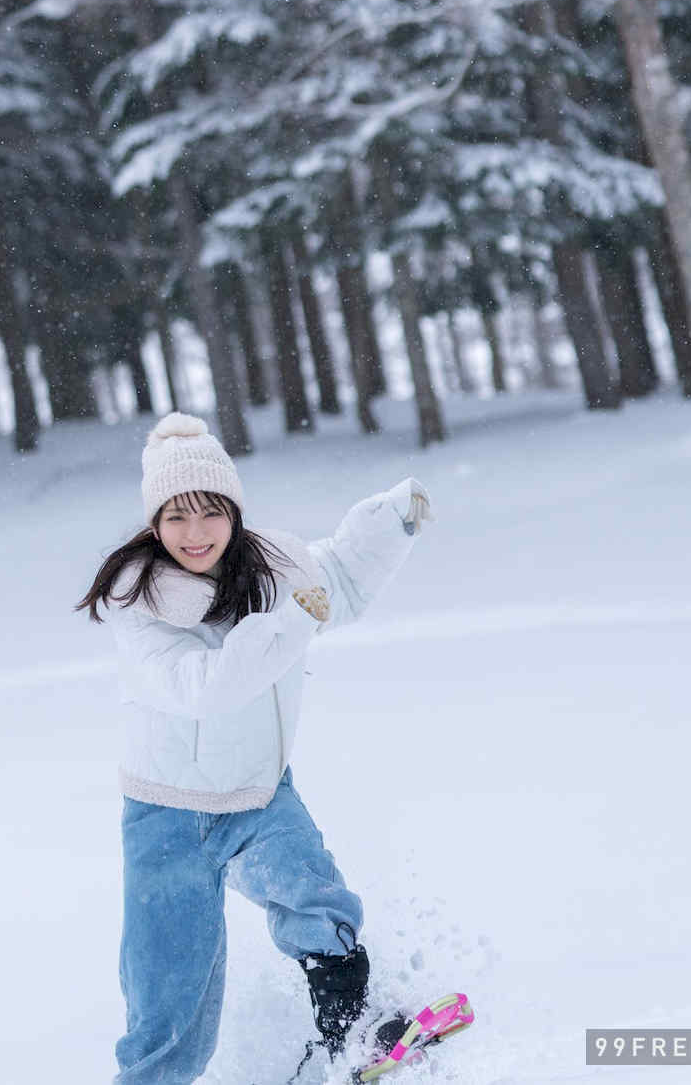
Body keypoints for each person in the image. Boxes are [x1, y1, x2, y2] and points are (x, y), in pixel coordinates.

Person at [76, 412, 432, 1085]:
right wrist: (294, 620)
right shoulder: (141, 603)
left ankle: (349, 1037)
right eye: (177, 518)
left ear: (234, 512)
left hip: (260, 795)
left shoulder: (271, 569)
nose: (196, 533)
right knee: (167, 1007)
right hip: (167, 820)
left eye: (211, 512)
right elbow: (207, 687)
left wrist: (390, 521)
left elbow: (339, 579)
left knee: (318, 901)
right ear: (155, 525)